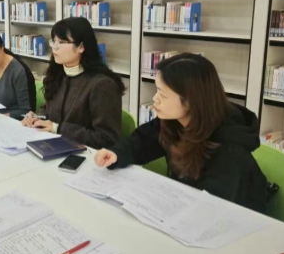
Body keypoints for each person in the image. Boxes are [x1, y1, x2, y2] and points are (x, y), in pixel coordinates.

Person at [94, 53, 267, 213]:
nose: (155, 99)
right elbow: (143, 141)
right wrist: (117, 153)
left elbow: (215, 211)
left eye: (162, 94)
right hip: (183, 209)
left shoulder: (229, 151)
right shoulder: (175, 121)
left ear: (190, 101)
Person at [22, 17, 124, 148]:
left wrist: (57, 128)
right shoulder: (57, 75)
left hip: (85, 154)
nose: (54, 48)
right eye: (54, 41)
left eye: (61, 42)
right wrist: (37, 118)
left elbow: (106, 138)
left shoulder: (102, 85)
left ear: (81, 47)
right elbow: (49, 108)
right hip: (53, 146)